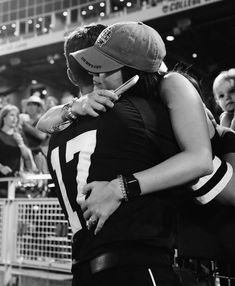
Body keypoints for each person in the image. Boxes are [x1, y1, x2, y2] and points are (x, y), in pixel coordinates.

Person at [46, 21, 213, 286]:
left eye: (104, 67)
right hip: (137, 266)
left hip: (84, 269)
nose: (94, 75)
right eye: (93, 65)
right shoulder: (141, 113)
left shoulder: (68, 121)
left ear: (135, 71)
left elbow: (44, 122)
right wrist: (121, 187)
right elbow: (202, 160)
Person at [0, 104, 37, 197]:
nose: (15, 118)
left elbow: (27, 157)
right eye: (12, 115)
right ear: (3, 117)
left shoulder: (20, 135)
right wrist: (1, 167)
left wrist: (20, 143)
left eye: (16, 116)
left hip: (15, 179)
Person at [21, 93, 48, 173]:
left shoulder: (43, 118)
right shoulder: (23, 118)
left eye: (34, 105)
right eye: (29, 105)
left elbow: (42, 135)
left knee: (40, 182)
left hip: (39, 154)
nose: (31, 107)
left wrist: (26, 126)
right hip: (26, 155)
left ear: (38, 107)